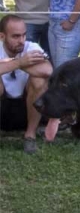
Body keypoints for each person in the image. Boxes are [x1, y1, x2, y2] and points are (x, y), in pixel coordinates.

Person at [0, 15, 59, 154]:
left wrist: (14, 64)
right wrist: (20, 62)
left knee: (39, 80)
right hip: (3, 106)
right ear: (2, 36)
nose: (21, 40)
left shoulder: (31, 47)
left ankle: (30, 135)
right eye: (15, 36)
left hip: (29, 105)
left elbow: (48, 70)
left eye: (24, 35)